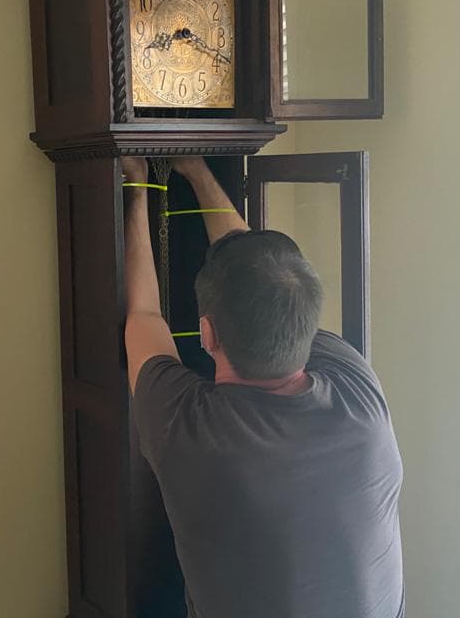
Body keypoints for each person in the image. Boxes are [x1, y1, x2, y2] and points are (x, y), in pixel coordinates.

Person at [122, 155, 404, 618]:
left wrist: (137, 189)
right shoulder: (359, 389)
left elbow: (145, 317)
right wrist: (196, 171)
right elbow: (263, 274)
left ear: (206, 335)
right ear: (306, 324)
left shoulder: (191, 432)